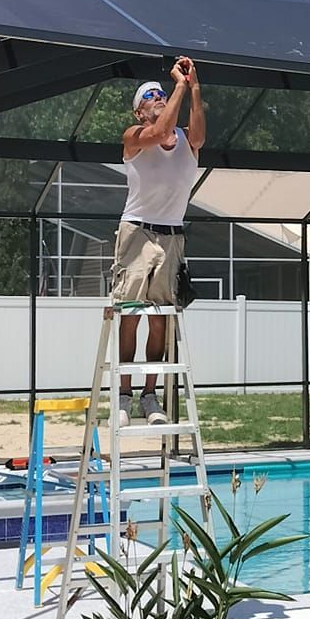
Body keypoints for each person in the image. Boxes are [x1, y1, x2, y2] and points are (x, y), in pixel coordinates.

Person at [113, 55, 206, 421]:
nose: (159, 97)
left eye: (160, 94)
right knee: (130, 313)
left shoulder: (185, 138)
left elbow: (198, 136)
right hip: (137, 230)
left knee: (160, 317)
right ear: (139, 113)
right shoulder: (135, 137)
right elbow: (159, 133)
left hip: (171, 233)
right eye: (150, 97)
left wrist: (193, 85)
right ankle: (123, 395)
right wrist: (179, 85)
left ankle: (150, 396)